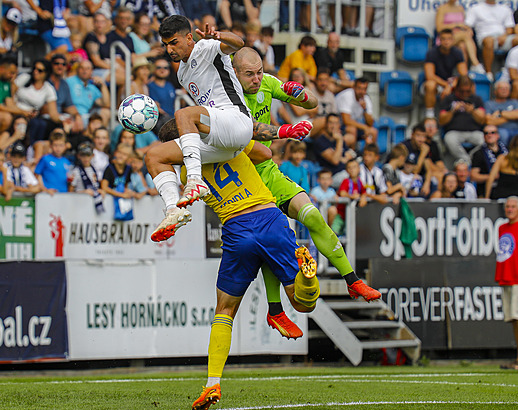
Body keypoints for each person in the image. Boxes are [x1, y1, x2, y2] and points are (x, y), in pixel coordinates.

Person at [157, 119, 318, 410]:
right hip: (268, 217)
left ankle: (212, 383)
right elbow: (265, 155)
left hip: (236, 230)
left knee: (225, 310)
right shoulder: (225, 143)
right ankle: (308, 278)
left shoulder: (184, 173)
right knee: (303, 304)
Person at [231, 47, 381, 336]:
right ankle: (275, 310)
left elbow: (312, 103)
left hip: (269, 172)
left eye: (260, 71)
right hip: (245, 180)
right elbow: (249, 130)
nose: (257, 78)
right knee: (269, 239)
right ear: (235, 73)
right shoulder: (228, 96)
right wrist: (285, 130)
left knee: (312, 215)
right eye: (249, 74)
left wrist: (297, 91)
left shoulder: (267, 83)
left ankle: (352, 280)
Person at [146, 16, 309, 241]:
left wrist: (219, 35)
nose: (169, 49)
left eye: (174, 42)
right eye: (166, 45)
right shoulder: (182, 73)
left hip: (236, 120)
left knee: (184, 114)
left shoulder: (206, 47)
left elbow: (238, 44)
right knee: (154, 155)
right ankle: (173, 210)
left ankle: (194, 181)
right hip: (221, 140)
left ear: (189, 37)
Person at [438, 74, 486, 166]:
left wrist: (472, 111)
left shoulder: (476, 99)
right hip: (454, 132)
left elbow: (482, 120)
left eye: (467, 91)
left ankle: (469, 159)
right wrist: (452, 111)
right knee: (449, 139)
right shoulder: (449, 99)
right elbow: (441, 121)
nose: (465, 94)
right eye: (462, 91)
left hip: (474, 132)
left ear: (471, 88)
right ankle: (466, 160)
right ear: (457, 88)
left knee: (485, 140)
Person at [465, 0, 517, 81]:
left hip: (503, 38)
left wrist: (504, 36)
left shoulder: (505, 9)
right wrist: (469, 30)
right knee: (489, 41)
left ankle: (509, 66)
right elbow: (468, 25)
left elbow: (510, 28)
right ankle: (488, 72)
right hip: (485, 37)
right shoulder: (476, 9)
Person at [423, 29, 468, 119]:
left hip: (451, 83)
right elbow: (430, 76)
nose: (446, 42)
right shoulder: (432, 53)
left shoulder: (457, 52)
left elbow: (463, 74)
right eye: (444, 39)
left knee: (468, 83)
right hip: (437, 84)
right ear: (439, 40)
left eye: (449, 39)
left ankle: (468, 110)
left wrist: (450, 86)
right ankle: (429, 114)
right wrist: (446, 85)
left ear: (453, 40)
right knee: (430, 85)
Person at [495, 196, 518, 370]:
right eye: (507, 206)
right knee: (513, 319)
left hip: (517, 278)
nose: (509, 209)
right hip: (507, 277)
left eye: (513, 207)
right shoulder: (502, 228)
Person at [435, 0, 483, 73]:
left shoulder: (460, 8)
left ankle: (463, 73)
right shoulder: (442, 9)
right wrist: (455, 25)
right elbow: (439, 28)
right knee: (464, 35)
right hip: (446, 39)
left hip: (459, 37)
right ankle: (475, 63)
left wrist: (468, 29)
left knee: (463, 46)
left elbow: (463, 25)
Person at [335, 77, 378, 150]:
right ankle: (353, 155)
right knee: (352, 129)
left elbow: (370, 123)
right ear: (354, 87)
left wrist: (365, 110)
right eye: (359, 88)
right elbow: (346, 121)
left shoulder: (366, 99)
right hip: (339, 125)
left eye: (364, 89)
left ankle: (368, 156)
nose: (361, 91)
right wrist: (364, 127)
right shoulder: (347, 96)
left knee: (373, 132)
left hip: (355, 126)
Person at [67, 60, 110, 126]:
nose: (84, 71)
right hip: (71, 115)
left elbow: (105, 103)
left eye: (87, 68)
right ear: (78, 70)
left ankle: (100, 135)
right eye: (82, 68)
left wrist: (103, 85)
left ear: (91, 71)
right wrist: (76, 115)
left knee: (106, 112)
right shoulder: (70, 81)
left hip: (86, 116)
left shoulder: (92, 88)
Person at [471, 125, 508, 197]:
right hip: (485, 191)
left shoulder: (506, 152)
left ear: (498, 135)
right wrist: (491, 177)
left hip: (505, 189)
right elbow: (473, 176)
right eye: (486, 133)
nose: (489, 135)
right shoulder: (478, 153)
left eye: (492, 132)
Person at [35, 129, 73, 193]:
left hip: (63, 195)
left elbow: (69, 178)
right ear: (51, 146)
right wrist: (44, 189)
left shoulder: (67, 161)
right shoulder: (45, 159)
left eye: (61, 145)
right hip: (49, 194)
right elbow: (36, 175)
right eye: (55, 145)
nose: (58, 148)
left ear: (65, 146)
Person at [485, 81, 518, 146]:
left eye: (506, 88)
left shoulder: (514, 102)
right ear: (495, 91)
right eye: (501, 88)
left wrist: (500, 113)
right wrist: (511, 116)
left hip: (516, 129)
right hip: (500, 130)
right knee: (503, 134)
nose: (504, 90)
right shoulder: (489, 104)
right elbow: (489, 121)